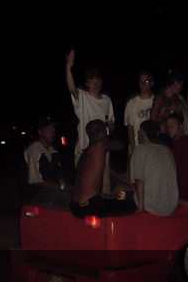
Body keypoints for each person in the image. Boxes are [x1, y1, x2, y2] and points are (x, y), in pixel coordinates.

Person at [66, 49, 115, 193]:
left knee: (104, 188)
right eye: (93, 82)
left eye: (98, 81)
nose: (96, 84)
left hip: (102, 150)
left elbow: (111, 124)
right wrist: (68, 67)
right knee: (84, 190)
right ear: (87, 84)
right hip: (84, 149)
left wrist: (110, 127)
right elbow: (71, 88)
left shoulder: (107, 100)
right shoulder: (82, 97)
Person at [70, 120, 136, 218]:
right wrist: (112, 131)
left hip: (76, 205)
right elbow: (120, 145)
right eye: (105, 130)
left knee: (116, 196)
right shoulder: (100, 145)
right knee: (131, 202)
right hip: (89, 206)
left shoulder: (84, 153)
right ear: (102, 132)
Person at [131, 120, 179, 216]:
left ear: (142, 133)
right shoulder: (167, 151)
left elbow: (138, 180)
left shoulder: (140, 149)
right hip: (170, 206)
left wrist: (141, 207)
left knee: (121, 195)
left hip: (150, 206)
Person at [23, 116, 70, 207]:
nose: (53, 132)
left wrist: (63, 184)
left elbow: (59, 173)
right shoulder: (34, 149)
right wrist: (61, 187)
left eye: (53, 129)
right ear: (40, 132)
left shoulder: (53, 150)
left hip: (52, 191)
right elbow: (35, 181)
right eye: (48, 129)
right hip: (38, 194)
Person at [124, 71, 155, 167]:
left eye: (146, 81)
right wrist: (133, 149)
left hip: (153, 148)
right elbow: (130, 128)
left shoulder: (157, 101)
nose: (143, 84)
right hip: (137, 147)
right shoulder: (131, 103)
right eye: (141, 82)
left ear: (152, 83)